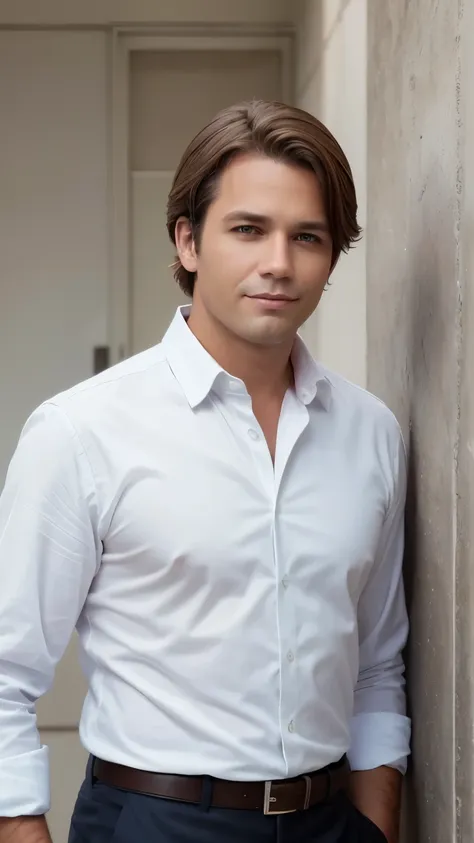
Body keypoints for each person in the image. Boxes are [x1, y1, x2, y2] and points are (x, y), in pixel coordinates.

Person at [0, 99, 410, 843]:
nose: (278, 263)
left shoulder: (371, 433)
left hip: (331, 821)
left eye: (307, 237)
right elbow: (5, 670)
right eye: (248, 229)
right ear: (188, 241)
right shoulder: (82, 431)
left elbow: (378, 660)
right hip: (156, 821)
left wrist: (376, 821)